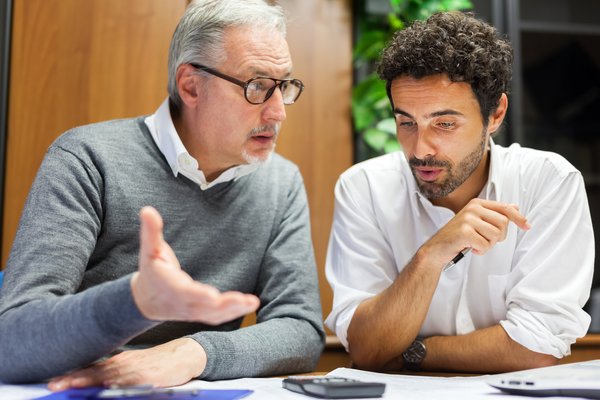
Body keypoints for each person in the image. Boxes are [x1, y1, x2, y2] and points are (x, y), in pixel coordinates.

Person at [0, 0, 324, 388]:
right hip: (79, 389)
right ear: (190, 85)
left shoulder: (280, 182)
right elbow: (12, 340)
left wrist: (192, 353)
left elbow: (301, 328)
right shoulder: (87, 158)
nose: (278, 113)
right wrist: (136, 300)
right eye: (256, 86)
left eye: (283, 85)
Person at [325, 11, 594, 374]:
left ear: (495, 114)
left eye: (445, 123)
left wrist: (411, 352)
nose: (420, 148)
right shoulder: (364, 188)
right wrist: (431, 255)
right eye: (406, 122)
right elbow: (367, 349)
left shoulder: (548, 182)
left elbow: (536, 345)